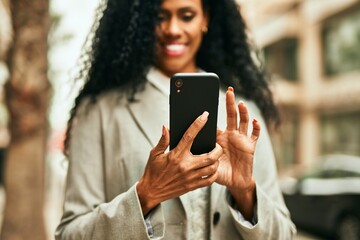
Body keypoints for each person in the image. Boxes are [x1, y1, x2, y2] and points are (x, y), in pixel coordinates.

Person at [55, 0, 296, 239]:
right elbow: (69, 234)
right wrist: (146, 194)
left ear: (206, 19)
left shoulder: (245, 113)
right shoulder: (99, 112)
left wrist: (245, 193)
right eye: (160, 17)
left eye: (187, 15)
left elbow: (285, 235)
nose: (172, 29)